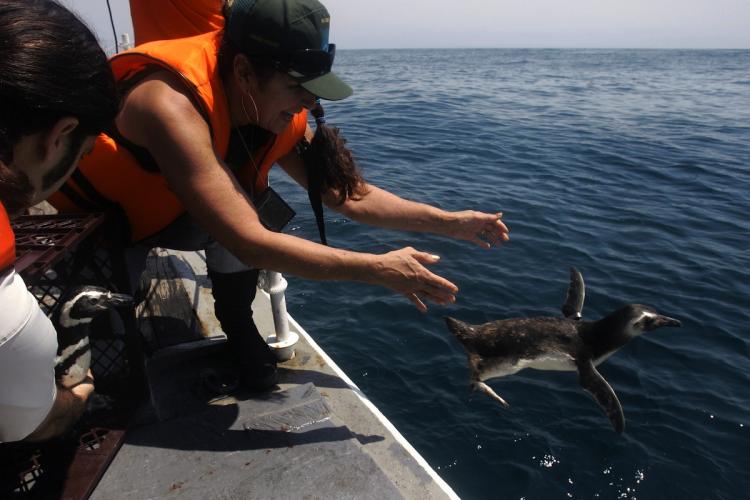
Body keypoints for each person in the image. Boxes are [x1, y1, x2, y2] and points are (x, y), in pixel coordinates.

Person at [49, 0, 509, 392]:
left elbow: (350, 196)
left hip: (178, 209)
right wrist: (378, 269)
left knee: (252, 210)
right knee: (109, 356)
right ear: (245, 71)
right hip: (104, 225)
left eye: (312, 94)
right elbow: (249, 241)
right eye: (296, 89)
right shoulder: (167, 103)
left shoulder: (273, 106)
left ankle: (237, 322)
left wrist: (450, 221)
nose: (305, 107)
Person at [0, 0, 119, 442]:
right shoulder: (9, 321)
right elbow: (36, 422)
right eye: (84, 154)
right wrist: (76, 397)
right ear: (59, 137)